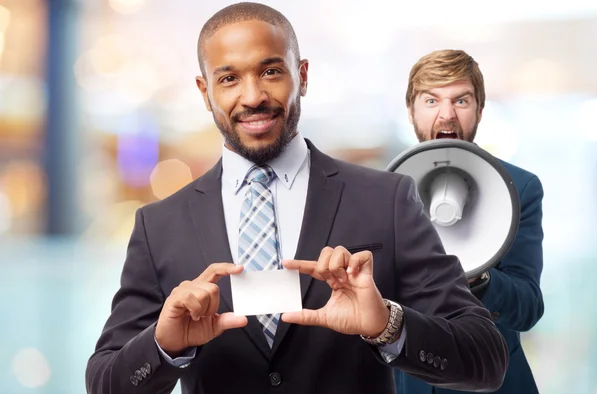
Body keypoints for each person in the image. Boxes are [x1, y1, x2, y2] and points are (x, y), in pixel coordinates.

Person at [85, 5, 509, 394]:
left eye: (270, 72)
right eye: (229, 78)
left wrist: (387, 324)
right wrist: (163, 346)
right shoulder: (158, 226)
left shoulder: (388, 199)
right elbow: (105, 383)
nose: (252, 96)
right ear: (205, 90)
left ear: (302, 75)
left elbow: (485, 358)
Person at [394, 49, 545, 394]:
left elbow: (527, 308)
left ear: (479, 110)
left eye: (460, 101)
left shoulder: (519, 189)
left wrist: (479, 275)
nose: (446, 116)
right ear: (411, 111)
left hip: (495, 382)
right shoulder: (379, 190)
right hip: (409, 383)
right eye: (431, 100)